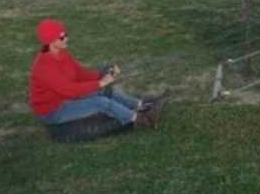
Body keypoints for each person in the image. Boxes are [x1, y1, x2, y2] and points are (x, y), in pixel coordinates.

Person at [29, 19, 166, 133]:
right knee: (100, 102)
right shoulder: (44, 67)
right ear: (51, 41)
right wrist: (99, 83)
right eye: (62, 37)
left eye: (66, 34)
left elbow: (79, 73)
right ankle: (141, 120)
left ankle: (142, 104)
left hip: (66, 98)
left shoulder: (62, 53)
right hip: (53, 111)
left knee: (104, 91)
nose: (67, 38)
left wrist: (100, 76)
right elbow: (69, 90)